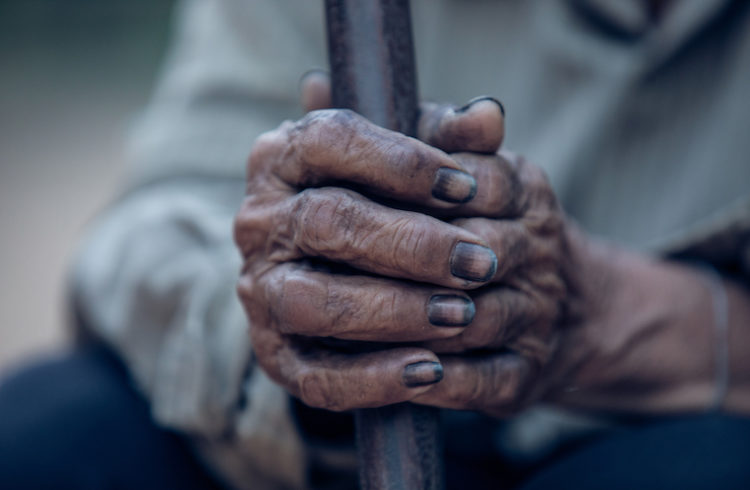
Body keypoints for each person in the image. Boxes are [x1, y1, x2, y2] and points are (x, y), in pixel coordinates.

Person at [1, 0, 750, 488]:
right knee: (44, 438)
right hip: (320, 445)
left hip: (674, 424)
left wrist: (606, 317)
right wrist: (309, 331)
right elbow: (146, 225)